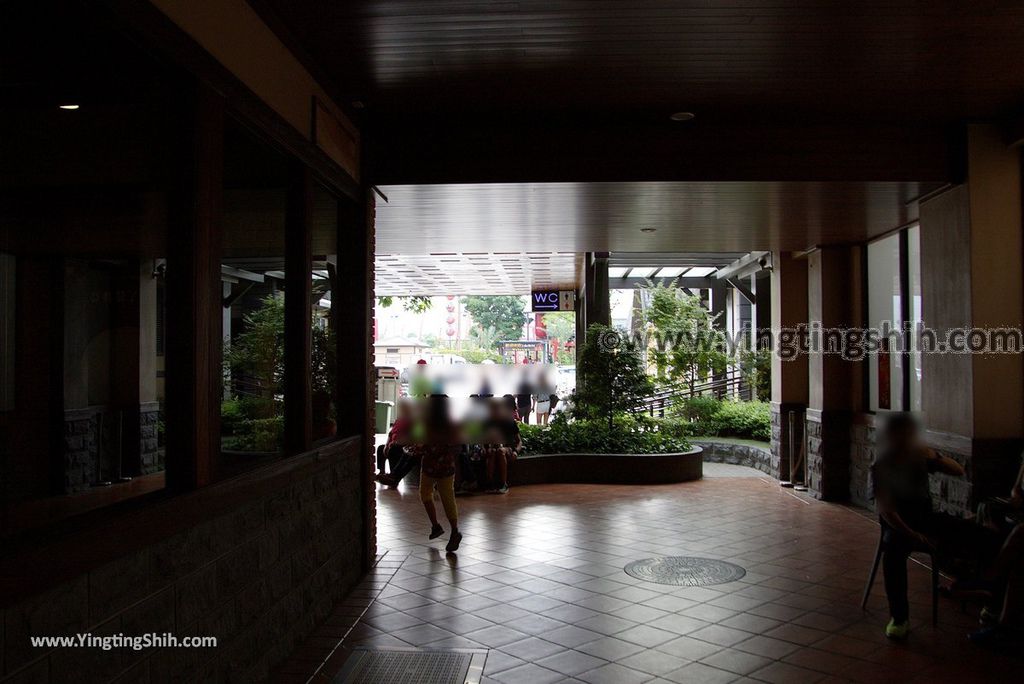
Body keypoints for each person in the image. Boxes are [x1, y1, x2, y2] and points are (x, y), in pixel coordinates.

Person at [871, 412, 990, 639]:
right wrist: (913, 534)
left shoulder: (920, 458)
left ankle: (974, 586)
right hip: (897, 526)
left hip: (925, 518)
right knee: (893, 554)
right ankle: (899, 617)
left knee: (979, 534)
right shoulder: (882, 465)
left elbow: (958, 470)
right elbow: (887, 511)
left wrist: (934, 456)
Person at [408, 395, 463, 552]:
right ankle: (454, 530)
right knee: (448, 498)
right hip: (447, 467)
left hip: (430, 467)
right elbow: (457, 445)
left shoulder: (427, 423)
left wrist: (416, 448)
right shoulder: (452, 424)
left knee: (425, 493)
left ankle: (435, 525)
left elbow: (422, 444)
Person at [483, 399, 521, 494]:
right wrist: (484, 449)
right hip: (493, 448)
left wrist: (516, 451)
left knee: (499, 451)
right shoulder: (487, 422)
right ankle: (489, 484)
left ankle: (503, 484)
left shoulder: (509, 422)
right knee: (493, 453)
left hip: (506, 448)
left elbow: (519, 441)